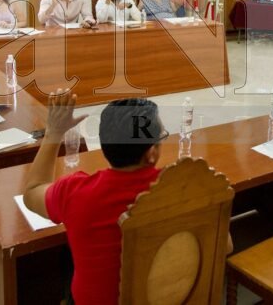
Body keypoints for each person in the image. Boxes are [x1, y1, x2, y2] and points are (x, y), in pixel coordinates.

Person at [23, 92, 166, 304]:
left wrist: (54, 133)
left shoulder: (75, 192)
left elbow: (32, 191)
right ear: (151, 152)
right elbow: (224, 245)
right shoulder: (181, 185)